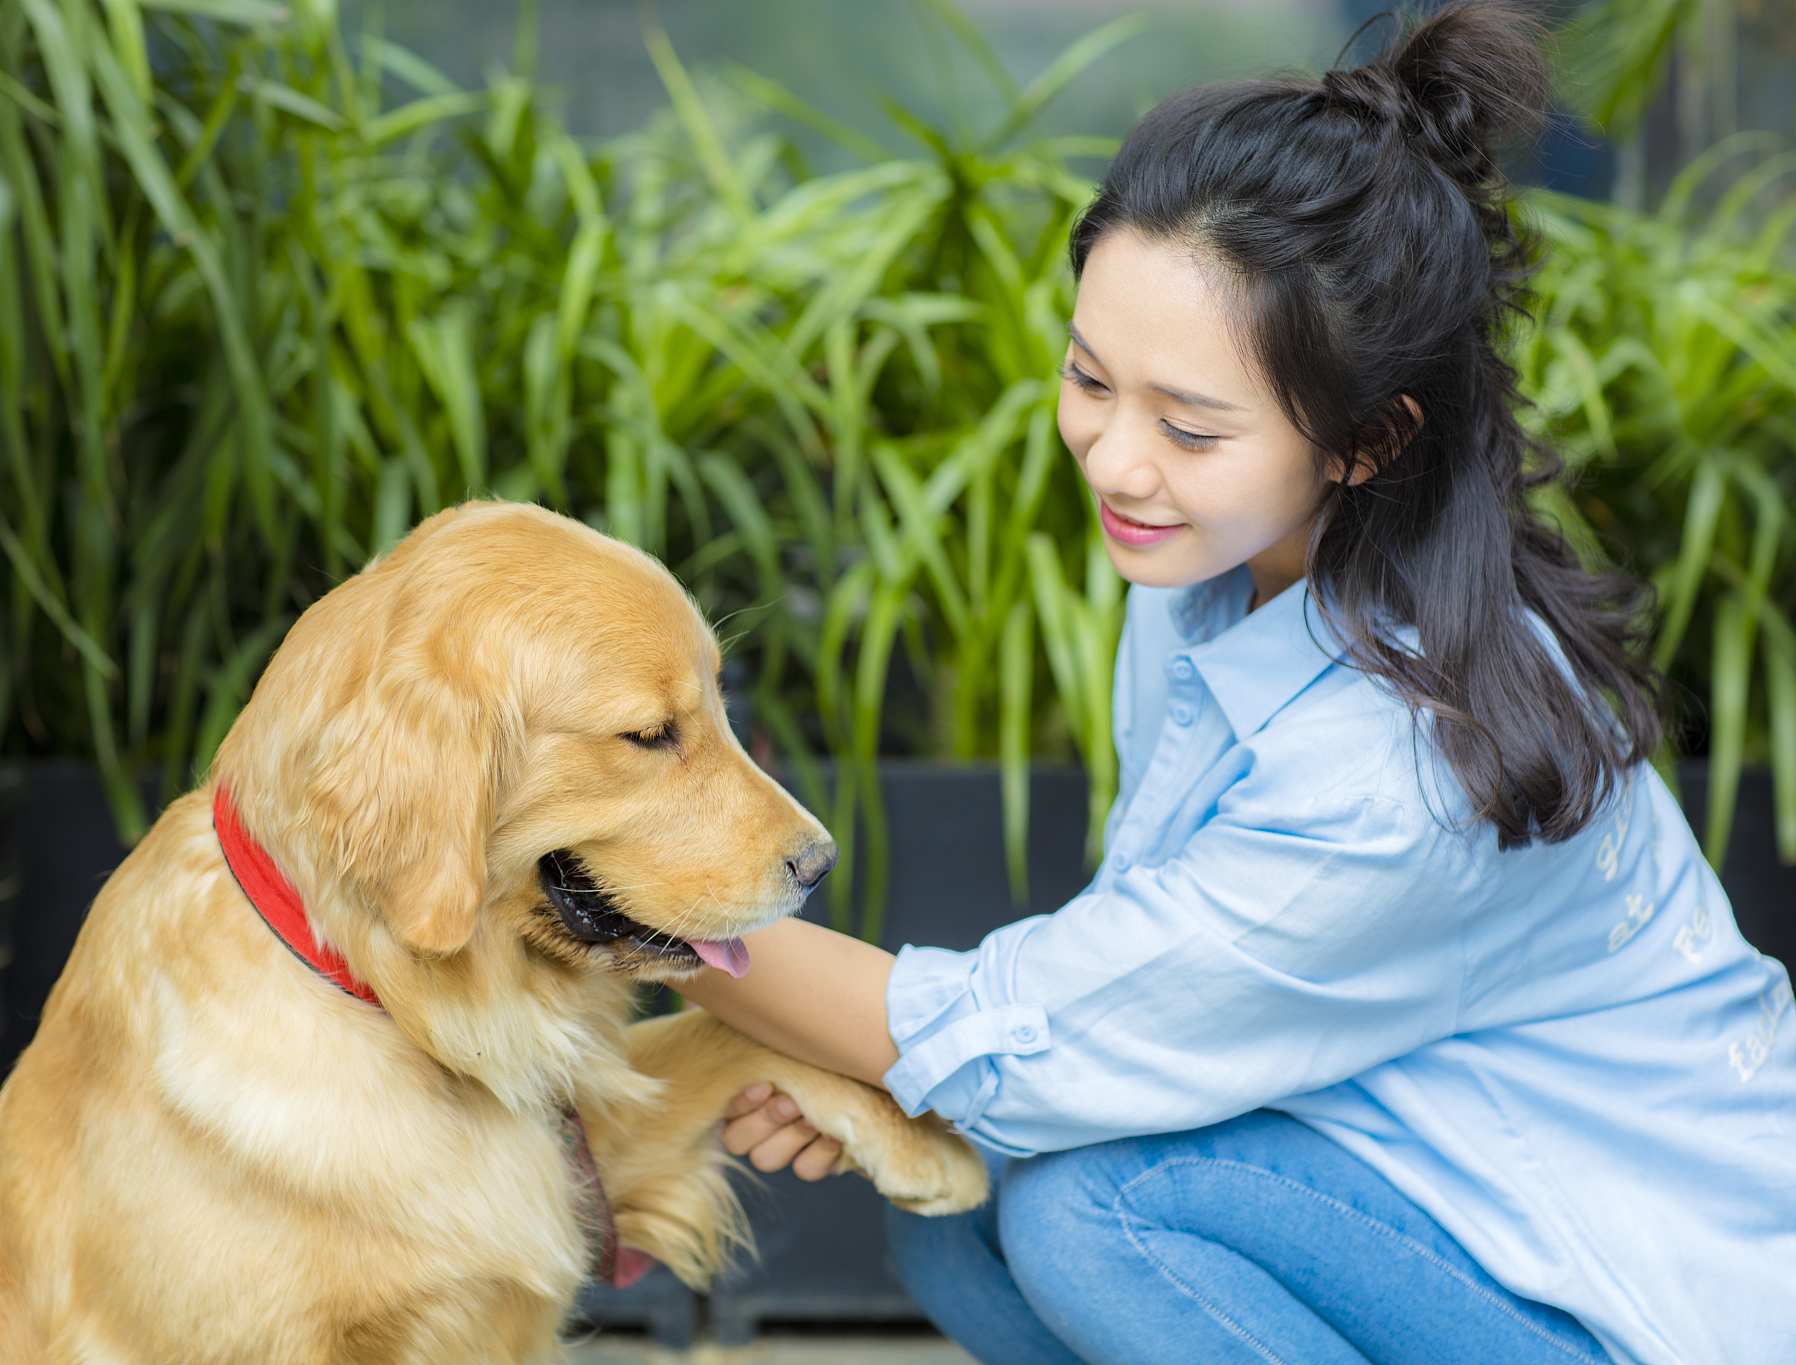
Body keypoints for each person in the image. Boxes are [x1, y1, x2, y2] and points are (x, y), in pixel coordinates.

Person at [678, 4, 1796, 1363]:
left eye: (1190, 426)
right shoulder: (1218, 562)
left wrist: (609, 884)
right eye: (1091, 378)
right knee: (955, 1199)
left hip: (1634, 1302)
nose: (1115, 460)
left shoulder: (1405, 770)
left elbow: (1015, 1038)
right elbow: (1119, 988)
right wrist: (888, 1072)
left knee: (1106, 1210)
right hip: (1421, 1187)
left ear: (1368, 441)